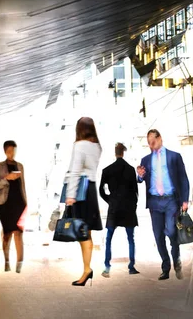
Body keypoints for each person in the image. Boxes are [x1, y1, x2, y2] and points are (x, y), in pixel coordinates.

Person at [137, 129, 189, 281]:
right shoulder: (145, 160)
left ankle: (176, 260)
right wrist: (139, 176)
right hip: (154, 202)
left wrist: (185, 200)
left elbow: (183, 179)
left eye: (152, 141)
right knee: (158, 235)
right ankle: (165, 268)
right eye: (148, 142)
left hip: (171, 200)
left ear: (160, 138)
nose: (151, 145)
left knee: (172, 231)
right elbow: (141, 179)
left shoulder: (174, 156)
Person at [65, 117, 103, 286]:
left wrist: (70, 195)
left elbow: (75, 171)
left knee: (82, 232)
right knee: (86, 232)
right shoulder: (97, 147)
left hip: (81, 191)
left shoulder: (79, 145)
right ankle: (87, 269)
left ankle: (87, 269)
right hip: (92, 189)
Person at [99, 143, 139, 277]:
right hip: (128, 208)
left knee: (109, 238)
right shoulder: (130, 169)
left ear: (115, 153)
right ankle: (131, 266)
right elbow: (135, 191)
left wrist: (109, 200)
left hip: (114, 208)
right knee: (130, 238)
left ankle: (107, 267)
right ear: (123, 153)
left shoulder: (107, 170)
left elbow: (101, 190)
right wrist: (133, 205)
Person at [0, 140, 27, 273]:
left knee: (19, 233)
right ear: (5, 151)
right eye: (9, 151)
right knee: (7, 234)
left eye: (13, 150)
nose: (11, 153)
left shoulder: (20, 166)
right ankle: (7, 261)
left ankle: (19, 263)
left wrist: (26, 202)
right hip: (4, 204)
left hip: (19, 203)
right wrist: (7, 178)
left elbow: (22, 186)